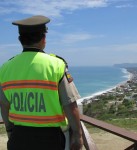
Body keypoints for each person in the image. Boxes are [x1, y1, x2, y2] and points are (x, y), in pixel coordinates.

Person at [0, 15, 83, 150]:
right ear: (43, 39)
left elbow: (4, 105)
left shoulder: (5, 68)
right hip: (50, 139)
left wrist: (9, 131)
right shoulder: (56, 65)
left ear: (20, 40)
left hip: (18, 137)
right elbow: (70, 105)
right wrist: (78, 136)